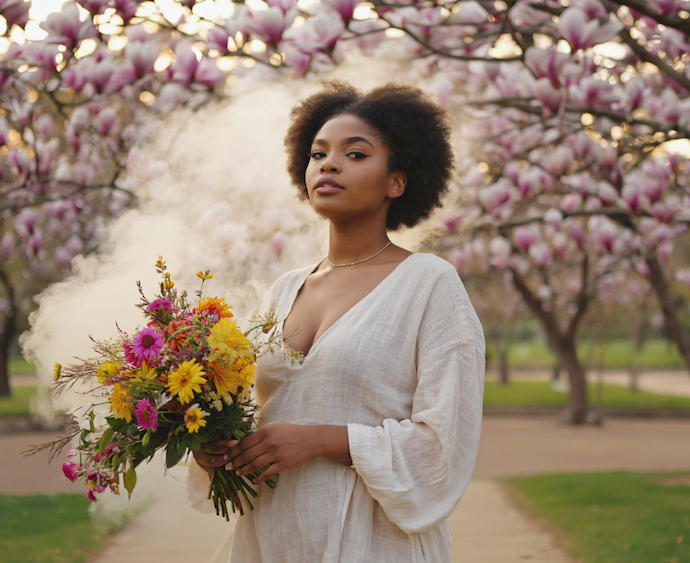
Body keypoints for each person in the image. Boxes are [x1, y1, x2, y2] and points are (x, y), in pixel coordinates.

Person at [186, 80, 486, 563]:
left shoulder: (430, 283)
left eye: (356, 154)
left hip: (374, 540)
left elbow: (443, 443)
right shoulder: (285, 289)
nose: (328, 164)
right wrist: (218, 449)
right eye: (318, 153)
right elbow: (258, 413)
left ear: (397, 181)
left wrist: (323, 439)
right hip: (275, 532)